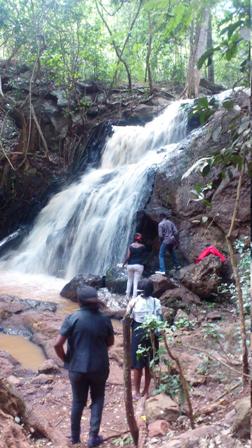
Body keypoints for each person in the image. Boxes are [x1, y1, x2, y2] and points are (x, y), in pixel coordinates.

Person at [54, 286, 114, 447]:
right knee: (98, 399)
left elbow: (57, 344)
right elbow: (110, 343)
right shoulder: (104, 319)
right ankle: (93, 437)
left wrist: (66, 359)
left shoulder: (72, 318)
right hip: (99, 367)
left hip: (77, 367)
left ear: (79, 301)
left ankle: (75, 439)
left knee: (78, 402)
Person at [126, 278, 162, 399]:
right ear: (151, 290)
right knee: (149, 363)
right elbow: (160, 319)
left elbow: (127, 318)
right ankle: (145, 391)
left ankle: (136, 391)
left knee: (138, 364)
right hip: (151, 333)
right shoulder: (156, 302)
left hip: (138, 333)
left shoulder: (134, 302)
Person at [123, 232, 146, 299]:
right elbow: (144, 256)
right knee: (136, 282)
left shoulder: (130, 246)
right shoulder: (143, 246)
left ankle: (127, 296)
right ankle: (134, 297)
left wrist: (124, 264)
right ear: (140, 239)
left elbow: (128, 257)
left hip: (130, 265)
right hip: (139, 265)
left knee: (129, 280)